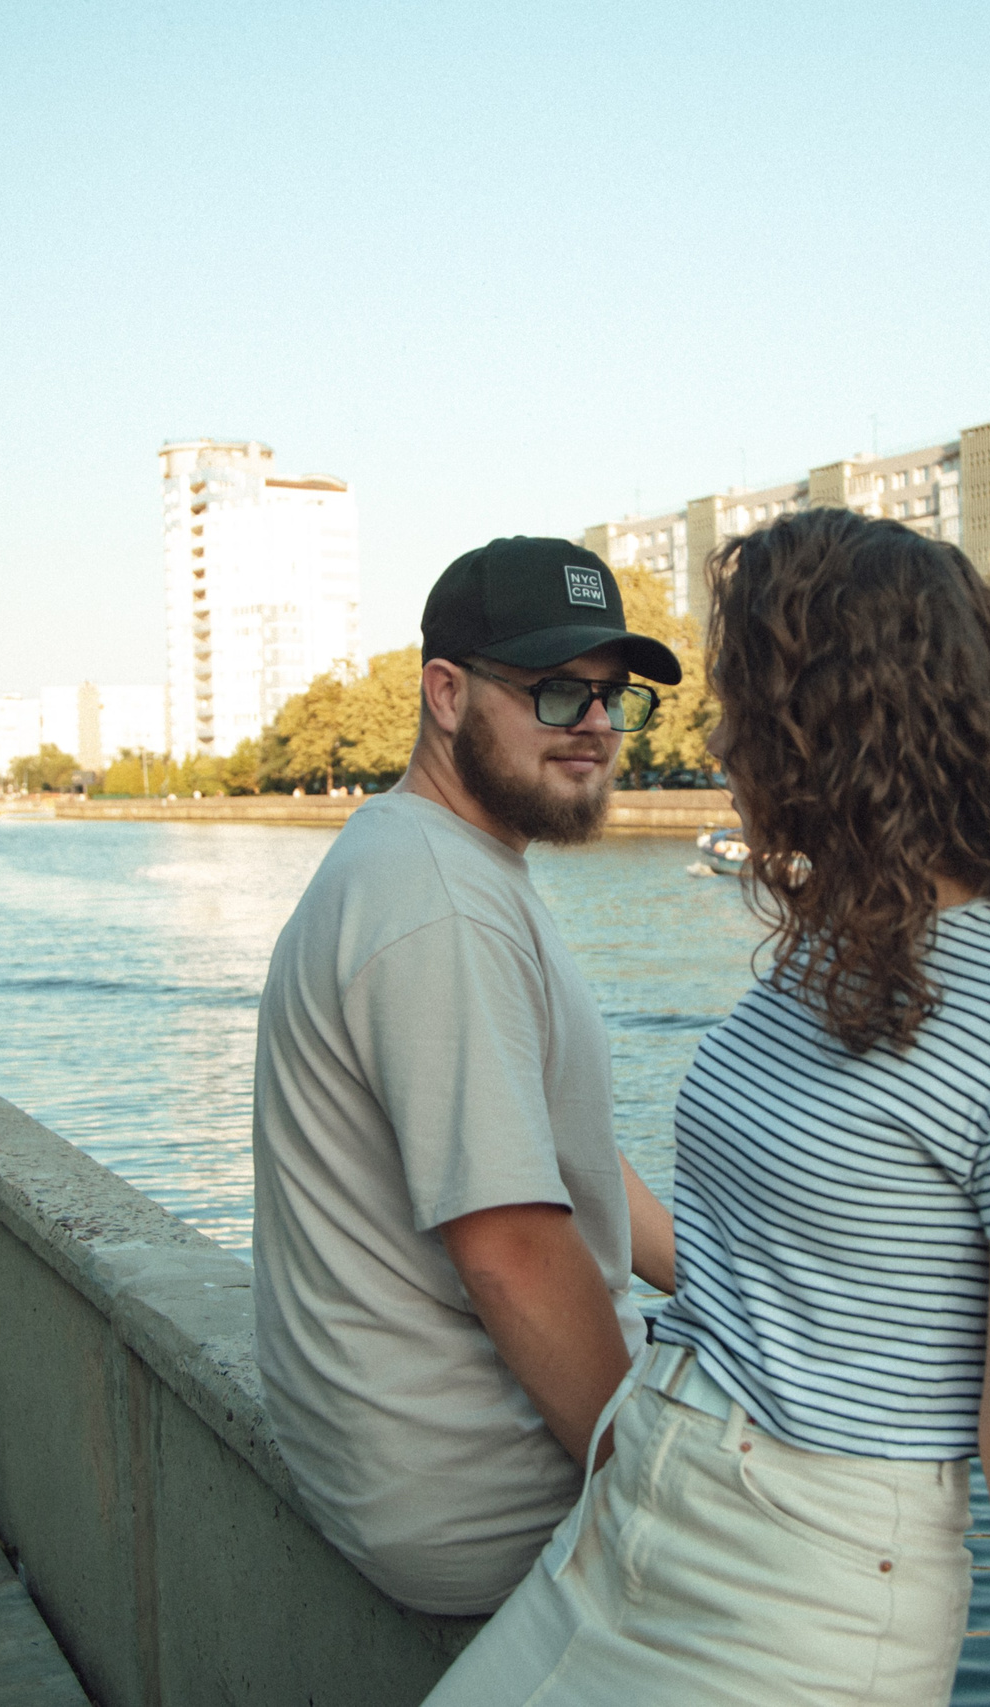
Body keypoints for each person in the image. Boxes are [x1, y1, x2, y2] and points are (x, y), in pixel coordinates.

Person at [428, 509, 990, 1707]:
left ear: (832, 721)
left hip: (802, 1583)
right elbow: (751, 1256)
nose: (717, 738)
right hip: (638, 1504)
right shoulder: (842, 954)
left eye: (743, 703)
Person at [251, 536, 685, 1616]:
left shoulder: (440, 861)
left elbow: (559, 1156)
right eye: (552, 693)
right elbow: (511, 1251)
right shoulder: (435, 902)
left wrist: (727, 1279)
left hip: (418, 1459)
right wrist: (651, 1489)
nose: (592, 726)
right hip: (483, 1492)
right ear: (445, 694)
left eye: (609, 696)